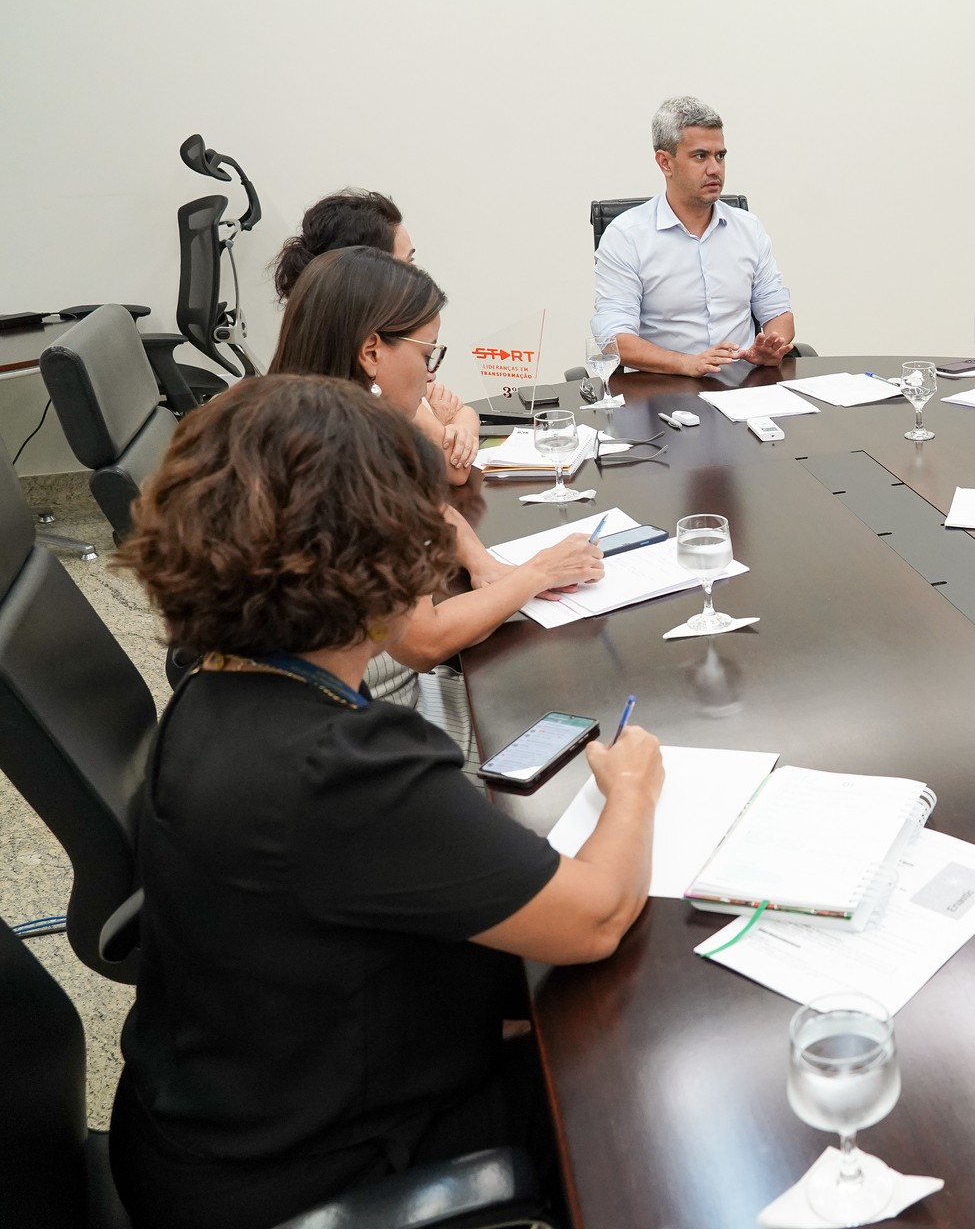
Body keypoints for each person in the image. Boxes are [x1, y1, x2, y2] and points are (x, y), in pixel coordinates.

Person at [111, 374, 664, 1228]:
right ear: (378, 556)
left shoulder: (212, 684)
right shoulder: (340, 764)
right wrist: (634, 791)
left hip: (208, 1129)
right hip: (315, 1176)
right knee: (642, 1072)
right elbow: (594, 917)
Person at [268, 247, 604, 717]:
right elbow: (424, 641)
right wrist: (538, 573)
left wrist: (482, 562)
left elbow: (429, 508)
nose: (429, 377)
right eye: (428, 355)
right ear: (371, 352)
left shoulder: (292, 419)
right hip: (370, 716)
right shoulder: (349, 462)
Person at [271, 188, 479, 481]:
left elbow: (458, 414)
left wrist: (459, 420)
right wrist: (449, 422)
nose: (415, 275)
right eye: (405, 265)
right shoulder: (349, 450)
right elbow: (453, 469)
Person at [589, 95, 795, 376]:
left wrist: (773, 345)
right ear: (665, 162)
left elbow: (778, 311)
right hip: (661, 392)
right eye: (700, 156)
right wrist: (686, 363)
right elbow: (613, 340)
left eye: (720, 156)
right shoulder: (627, 236)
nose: (715, 169)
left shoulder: (748, 228)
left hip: (742, 388)